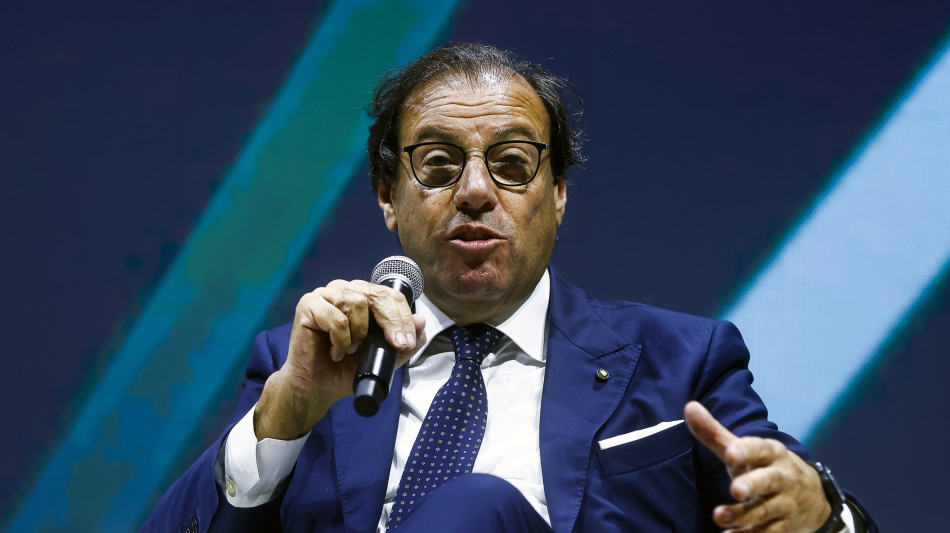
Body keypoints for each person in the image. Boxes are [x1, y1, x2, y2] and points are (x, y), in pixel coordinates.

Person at [143, 42, 876, 533]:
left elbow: (787, 494)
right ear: (387, 196)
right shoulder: (305, 364)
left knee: (475, 506)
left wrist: (818, 513)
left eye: (513, 164)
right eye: (438, 164)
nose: (474, 191)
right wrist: (285, 414)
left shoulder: (680, 359)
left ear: (558, 194)